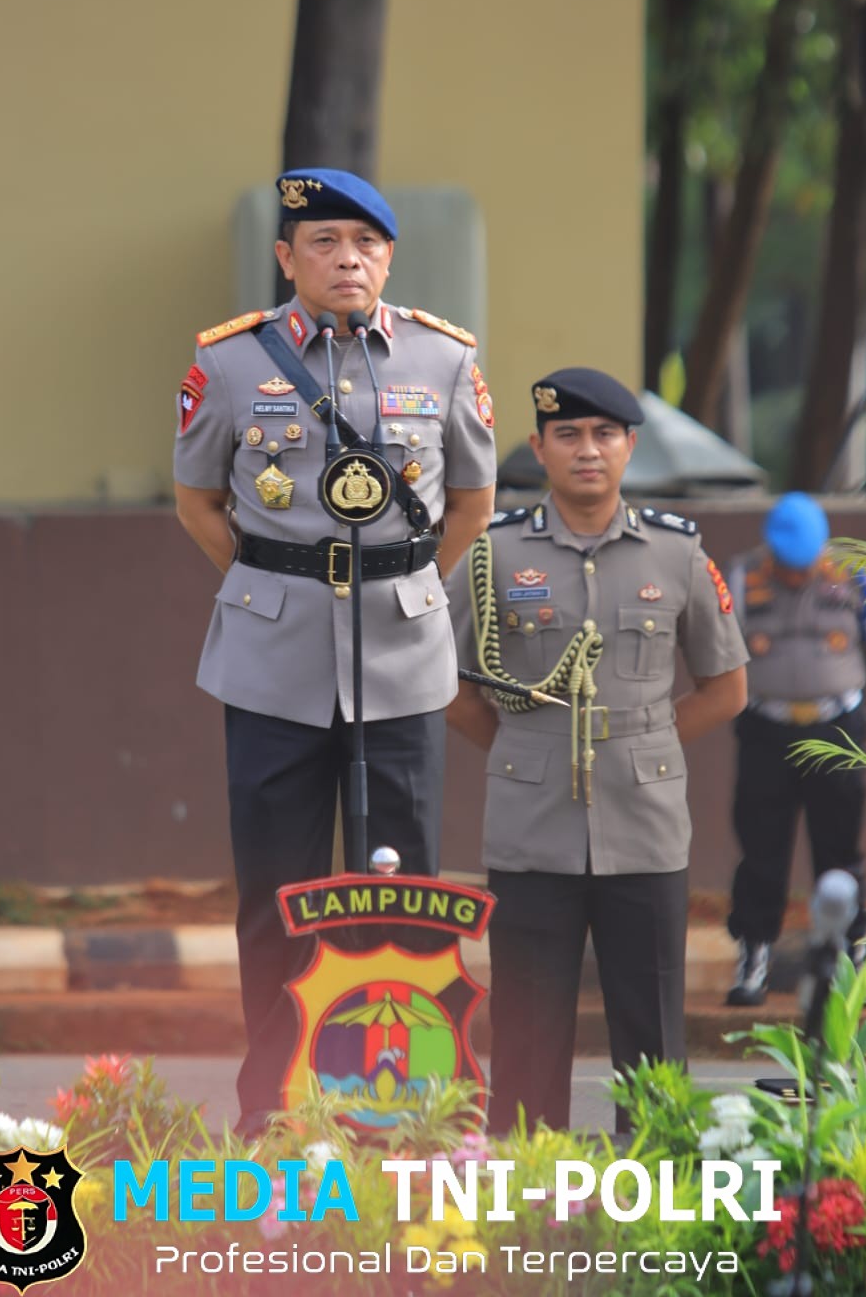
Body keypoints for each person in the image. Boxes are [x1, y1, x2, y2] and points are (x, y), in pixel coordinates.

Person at [173, 168, 497, 1134]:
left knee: (405, 890)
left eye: (364, 242)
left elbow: (473, 500)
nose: (346, 258)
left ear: (389, 257)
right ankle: (275, 1106)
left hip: (399, 658)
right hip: (273, 661)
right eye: (323, 242)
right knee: (276, 896)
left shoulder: (441, 360)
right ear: (288, 258)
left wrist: (410, 586)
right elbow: (197, 500)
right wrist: (273, 581)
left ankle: (401, 1109)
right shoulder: (231, 365)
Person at [446, 367, 748, 1133]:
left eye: (605, 434)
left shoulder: (676, 554)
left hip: (644, 825)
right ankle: (524, 1203)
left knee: (650, 1033)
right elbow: (447, 686)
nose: (589, 450)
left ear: (630, 447)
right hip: (531, 825)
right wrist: (529, 742)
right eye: (569, 435)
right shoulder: (494, 553)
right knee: (528, 1032)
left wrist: (640, 744)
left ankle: (653, 1197)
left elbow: (726, 687)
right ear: (538, 448)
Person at [724, 491, 866, 1007]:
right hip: (766, 728)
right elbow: (719, 649)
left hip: (836, 727)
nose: (794, 572)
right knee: (761, 849)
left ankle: (848, 952)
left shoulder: (859, 580)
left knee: (840, 847)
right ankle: (754, 952)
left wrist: (859, 703)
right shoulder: (740, 578)